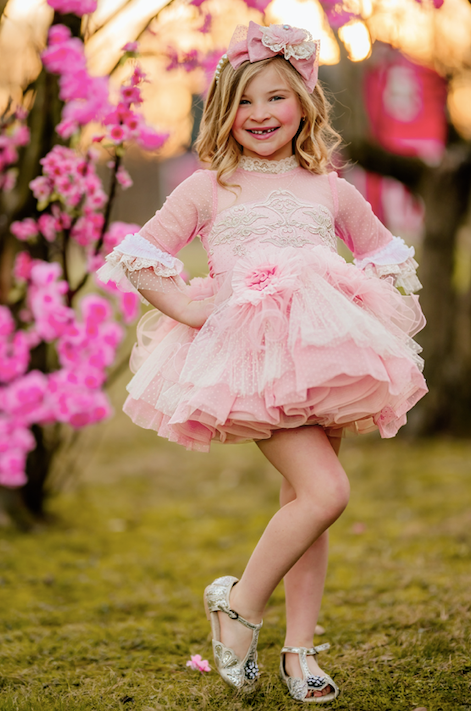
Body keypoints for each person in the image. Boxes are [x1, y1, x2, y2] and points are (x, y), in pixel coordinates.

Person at [97, 21, 428, 704]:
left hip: (327, 351)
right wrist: (195, 310)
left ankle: (299, 651)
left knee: (306, 501)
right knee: (325, 492)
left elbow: (386, 255)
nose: (260, 115)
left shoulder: (329, 187)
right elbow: (139, 255)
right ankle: (239, 606)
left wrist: (366, 310)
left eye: (276, 99)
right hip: (251, 360)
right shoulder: (208, 187)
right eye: (244, 102)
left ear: (304, 103)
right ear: (224, 110)